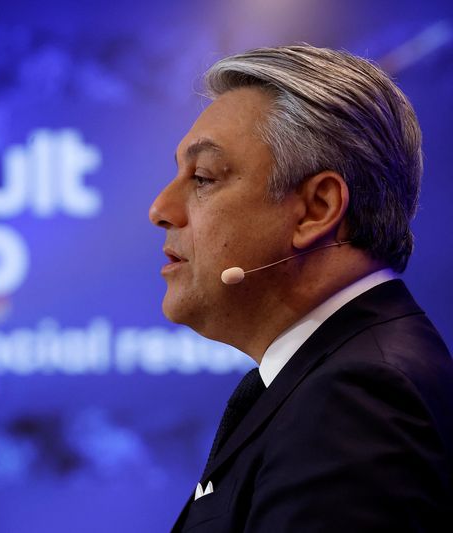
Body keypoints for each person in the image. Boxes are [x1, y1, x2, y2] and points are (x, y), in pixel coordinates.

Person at [148, 44, 453, 532]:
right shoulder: (334, 377)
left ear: (316, 209)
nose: (160, 208)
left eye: (202, 177)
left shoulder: (354, 399)